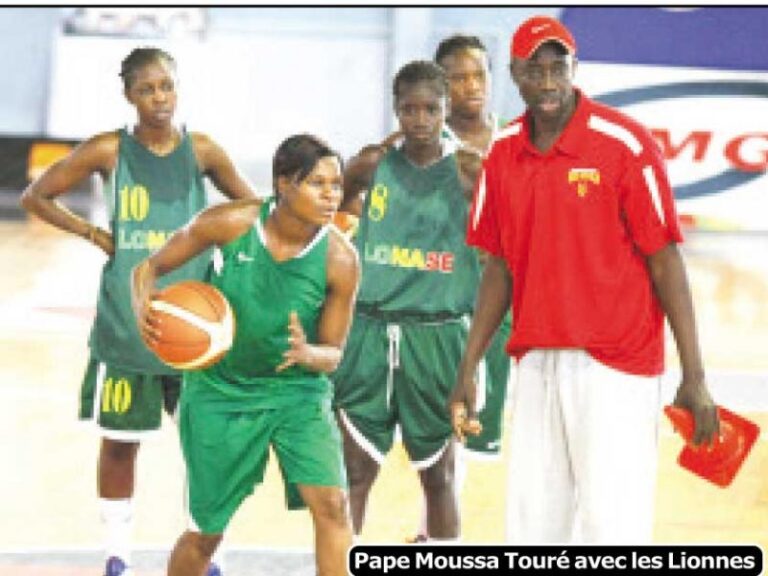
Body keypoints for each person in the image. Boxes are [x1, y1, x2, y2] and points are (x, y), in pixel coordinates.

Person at [450, 16, 720, 544]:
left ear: (575, 70)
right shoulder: (502, 154)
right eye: (536, 70)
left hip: (617, 367)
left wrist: (694, 375)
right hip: (536, 360)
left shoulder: (625, 144)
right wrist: (469, 365)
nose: (549, 82)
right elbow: (498, 268)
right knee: (533, 528)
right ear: (515, 74)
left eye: (559, 68)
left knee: (613, 527)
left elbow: (666, 262)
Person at [20, 47, 255, 576]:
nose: (159, 98)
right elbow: (37, 196)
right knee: (120, 445)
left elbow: (253, 212)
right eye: (147, 89)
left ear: (178, 88)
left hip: (197, 331)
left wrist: (231, 264)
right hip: (127, 329)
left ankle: (206, 555)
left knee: (210, 451)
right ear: (129, 95)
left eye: (166, 86)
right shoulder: (109, 149)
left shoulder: (203, 152)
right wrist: (95, 233)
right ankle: (117, 555)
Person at [132, 133, 359, 576]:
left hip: (297, 393)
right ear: (284, 185)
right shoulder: (230, 223)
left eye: (337, 184)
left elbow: (333, 354)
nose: (332, 195)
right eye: (318, 183)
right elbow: (149, 267)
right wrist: (144, 302)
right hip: (220, 393)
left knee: (332, 507)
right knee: (205, 533)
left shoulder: (340, 259)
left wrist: (307, 353)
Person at [332, 60, 483, 542]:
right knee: (353, 472)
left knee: (438, 477)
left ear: (446, 109)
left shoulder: (468, 171)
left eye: (430, 109)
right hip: (368, 334)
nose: (419, 119)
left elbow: (508, 242)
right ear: (395, 109)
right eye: (409, 109)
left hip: (436, 338)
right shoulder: (372, 164)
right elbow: (327, 204)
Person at [404, 34, 515, 544]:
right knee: (442, 426)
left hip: (504, 300)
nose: (471, 86)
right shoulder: (421, 144)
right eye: (458, 77)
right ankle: (434, 538)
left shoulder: (517, 142)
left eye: (479, 75)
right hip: (437, 303)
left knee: (475, 428)